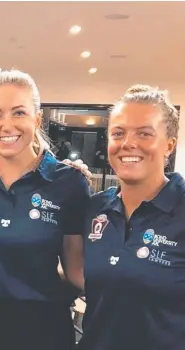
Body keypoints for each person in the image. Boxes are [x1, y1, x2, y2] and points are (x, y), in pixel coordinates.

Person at [0, 69, 90, 350]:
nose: (6, 125)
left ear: (37, 118)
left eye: (18, 113)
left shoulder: (68, 182)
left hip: (42, 329)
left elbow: (76, 271)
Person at [78, 85, 184, 350]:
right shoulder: (94, 208)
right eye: (118, 133)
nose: (128, 143)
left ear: (169, 145)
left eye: (144, 133)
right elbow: (83, 274)